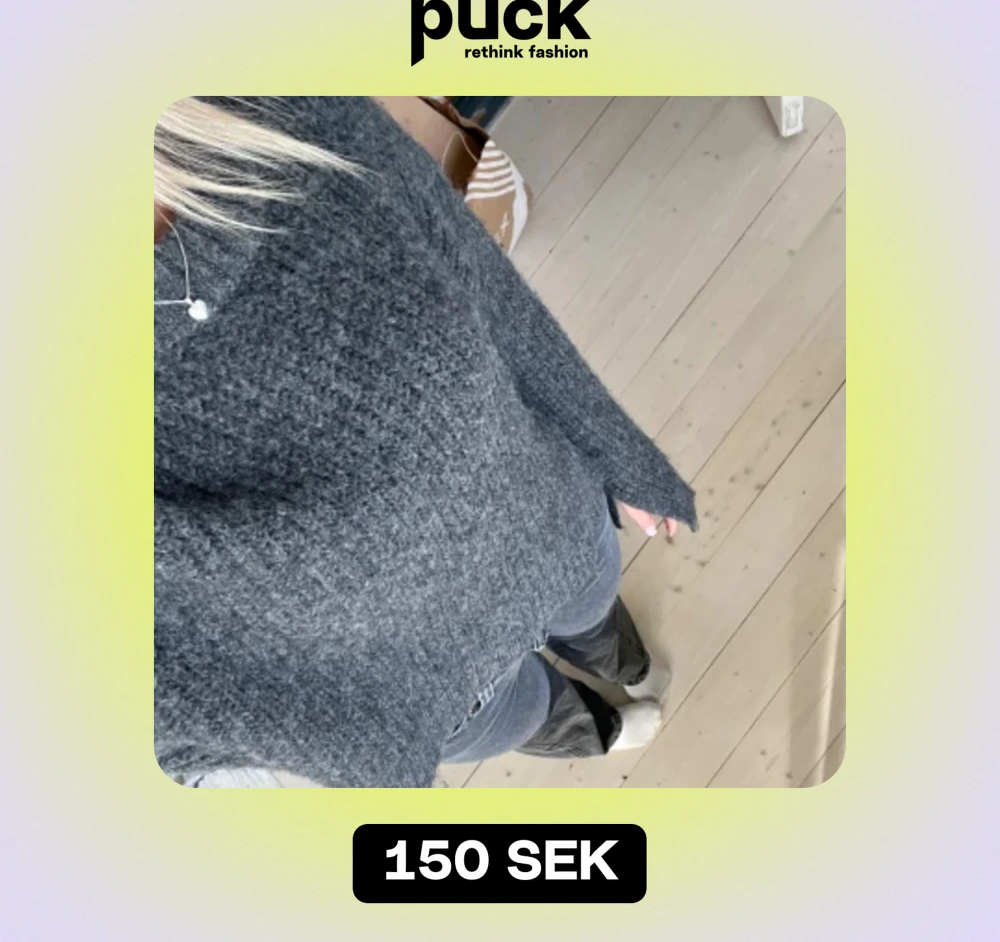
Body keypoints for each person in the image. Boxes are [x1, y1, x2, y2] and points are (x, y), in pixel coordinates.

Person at [154, 96, 698, 788]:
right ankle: (601, 729)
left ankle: (625, 664)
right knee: (531, 714)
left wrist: (610, 443)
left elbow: (471, 268)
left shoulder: (253, 100)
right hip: (418, 688)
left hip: (541, 511)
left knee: (595, 618)